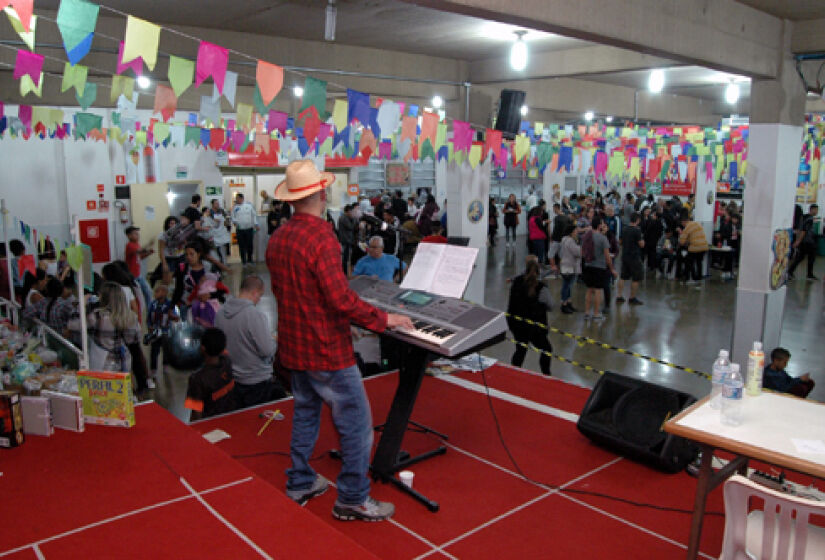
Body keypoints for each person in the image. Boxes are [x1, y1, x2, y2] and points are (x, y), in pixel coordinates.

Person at [266, 159, 413, 522]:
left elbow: (293, 294)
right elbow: (340, 300)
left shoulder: (279, 237)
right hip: (327, 350)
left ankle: (300, 481)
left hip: (294, 347)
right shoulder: (321, 238)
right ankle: (351, 498)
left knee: (305, 413)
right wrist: (384, 319)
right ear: (321, 192)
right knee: (358, 426)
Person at [215, 275, 285, 407]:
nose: (259, 300)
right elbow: (267, 350)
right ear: (254, 293)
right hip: (257, 382)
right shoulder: (254, 315)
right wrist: (274, 341)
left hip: (232, 380)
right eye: (260, 295)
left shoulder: (220, 313)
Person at [87, 282, 144, 393]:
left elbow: (73, 324)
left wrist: (82, 304)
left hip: (102, 362)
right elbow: (133, 339)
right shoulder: (131, 317)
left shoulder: (97, 316)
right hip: (123, 360)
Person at [506, 255, 552, 376]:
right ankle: (546, 374)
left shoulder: (516, 282)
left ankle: (514, 372)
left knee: (521, 349)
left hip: (517, 325)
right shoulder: (542, 287)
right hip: (535, 327)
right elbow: (550, 305)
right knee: (547, 350)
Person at [184, 327, 238, 420]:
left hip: (210, 423)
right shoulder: (227, 361)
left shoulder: (197, 379)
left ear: (202, 348)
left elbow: (196, 412)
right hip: (231, 417)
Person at [581, 216, 615, 322]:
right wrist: (612, 269)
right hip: (599, 267)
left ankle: (586, 313)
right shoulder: (602, 238)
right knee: (598, 291)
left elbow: (582, 252)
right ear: (599, 226)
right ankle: (596, 314)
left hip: (588, 266)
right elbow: (607, 257)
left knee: (589, 290)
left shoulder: (586, 236)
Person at [145, 282, 178, 377]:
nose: (155, 294)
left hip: (166, 331)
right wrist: (149, 326)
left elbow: (176, 317)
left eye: (157, 291)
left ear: (164, 293)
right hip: (155, 331)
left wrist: (173, 316)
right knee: (154, 351)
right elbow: (149, 317)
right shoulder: (153, 304)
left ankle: (165, 365)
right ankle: (153, 368)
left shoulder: (170, 305)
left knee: (166, 349)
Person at [616, 212, 645, 305]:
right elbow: (641, 244)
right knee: (636, 278)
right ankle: (632, 297)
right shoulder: (637, 230)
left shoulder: (624, 229)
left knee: (623, 276)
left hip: (625, 255)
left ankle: (619, 296)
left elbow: (620, 241)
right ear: (637, 220)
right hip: (634, 256)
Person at [124, 226, 154, 307]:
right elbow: (140, 251)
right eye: (135, 234)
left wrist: (148, 253)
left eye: (137, 234)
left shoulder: (136, 244)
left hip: (137, 274)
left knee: (147, 292)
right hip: (133, 276)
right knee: (144, 293)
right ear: (129, 236)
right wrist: (148, 245)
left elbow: (139, 257)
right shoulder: (130, 245)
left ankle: (149, 309)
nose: (138, 235)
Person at [788, 204, 819, 280]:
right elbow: (804, 231)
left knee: (800, 258)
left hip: (804, 241)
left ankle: (790, 272)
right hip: (808, 242)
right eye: (816, 210)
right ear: (812, 209)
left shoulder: (804, 217)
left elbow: (800, 229)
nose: (816, 212)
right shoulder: (809, 219)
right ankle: (809, 275)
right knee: (810, 258)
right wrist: (798, 241)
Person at [678, 209, 709, 285]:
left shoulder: (687, 227)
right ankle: (699, 279)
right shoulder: (697, 224)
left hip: (695, 247)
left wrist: (680, 233)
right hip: (704, 246)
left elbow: (681, 241)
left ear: (684, 222)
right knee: (699, 263)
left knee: (690, 262)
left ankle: (692, 278)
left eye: (682, 223)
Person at [559, 222, 582, 314]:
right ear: (571, 232)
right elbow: (578, 252)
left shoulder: (564, 240)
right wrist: (580, 247)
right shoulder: (571, 241)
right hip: (570, 267)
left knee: (566, 286)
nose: (577, 232)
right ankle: (564, 304)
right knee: (567, 287)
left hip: (564, 265)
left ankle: (568, 303)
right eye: (576, 230)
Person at [232, 192, 258, 266]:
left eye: (238, 198)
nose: (237, 200)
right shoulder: (235, 207)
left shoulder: (249, 206)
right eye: (236, 198)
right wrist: (235, 222)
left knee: (250, 245)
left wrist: (256, 224)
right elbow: (233, 217)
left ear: (242, 198)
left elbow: (254, 215)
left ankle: (250, 260)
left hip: (249, 229)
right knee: (241, 246)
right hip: (240, 230)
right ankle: (244, 261)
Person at [337, 204, 358, 274]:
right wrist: (355, 218)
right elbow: (351, 227)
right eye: (352, 212)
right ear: (348, 211)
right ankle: (344, 273)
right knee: (345, 259)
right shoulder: (343, 218)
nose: (352, 213)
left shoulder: (344, 217)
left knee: (346, 258)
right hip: (345, 240)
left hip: (346, 240)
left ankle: (344, 272)